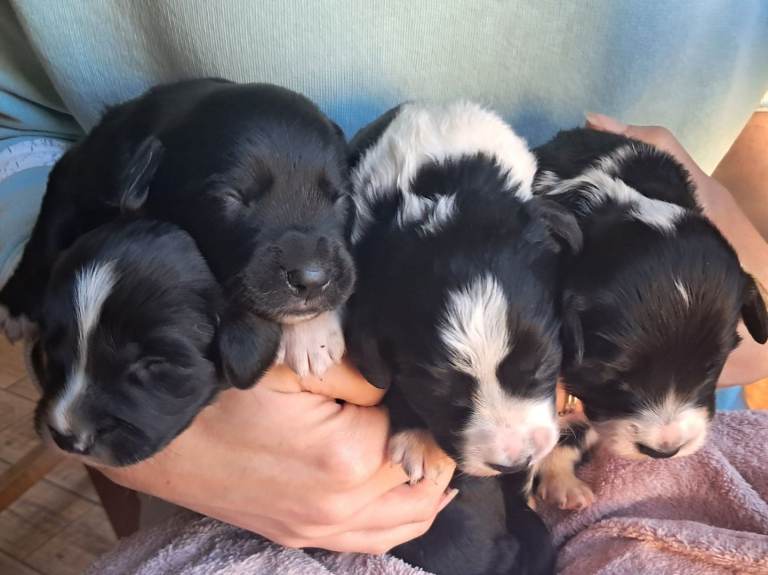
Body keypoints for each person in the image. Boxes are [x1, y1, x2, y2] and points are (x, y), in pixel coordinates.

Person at [1, 0, 766, 556]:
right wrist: (136, 399)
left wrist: (745, 266)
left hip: (660, 392)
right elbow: (20, 128)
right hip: (219, 426)